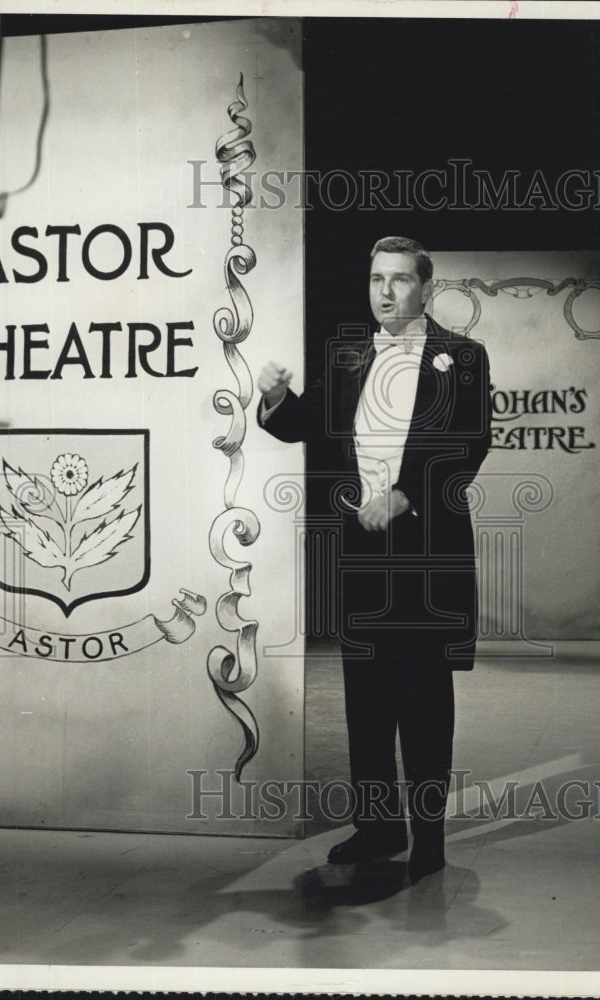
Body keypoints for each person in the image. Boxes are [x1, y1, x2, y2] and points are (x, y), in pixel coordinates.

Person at [258, 236, 492, 883]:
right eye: (375, 280)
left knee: (422, 701)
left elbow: (470, 443)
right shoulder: (349, 356)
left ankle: (428, 837)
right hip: (361, 551)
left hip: (424, 552)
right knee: (364, 698)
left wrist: (405, 493)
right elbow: (306, 424)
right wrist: (276, 397)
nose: (384, 291)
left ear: (425, 286)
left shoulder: (462, 358)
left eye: (398, 279)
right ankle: (377, 825)